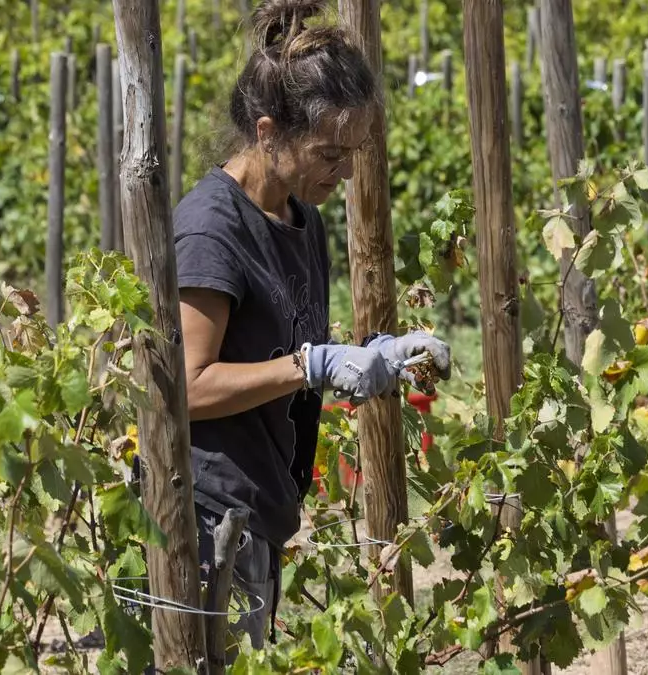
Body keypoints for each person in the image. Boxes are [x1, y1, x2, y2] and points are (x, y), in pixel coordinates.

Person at [171, 0, 453, 657]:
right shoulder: (212, 228)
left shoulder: (304, 221)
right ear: (267, 133)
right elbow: (186, 387)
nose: (349, 172)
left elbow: (277, 345)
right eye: (332, 152)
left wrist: (371, 359)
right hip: (205, 516)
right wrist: (313, 365)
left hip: (258, 513)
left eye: (355, 152)